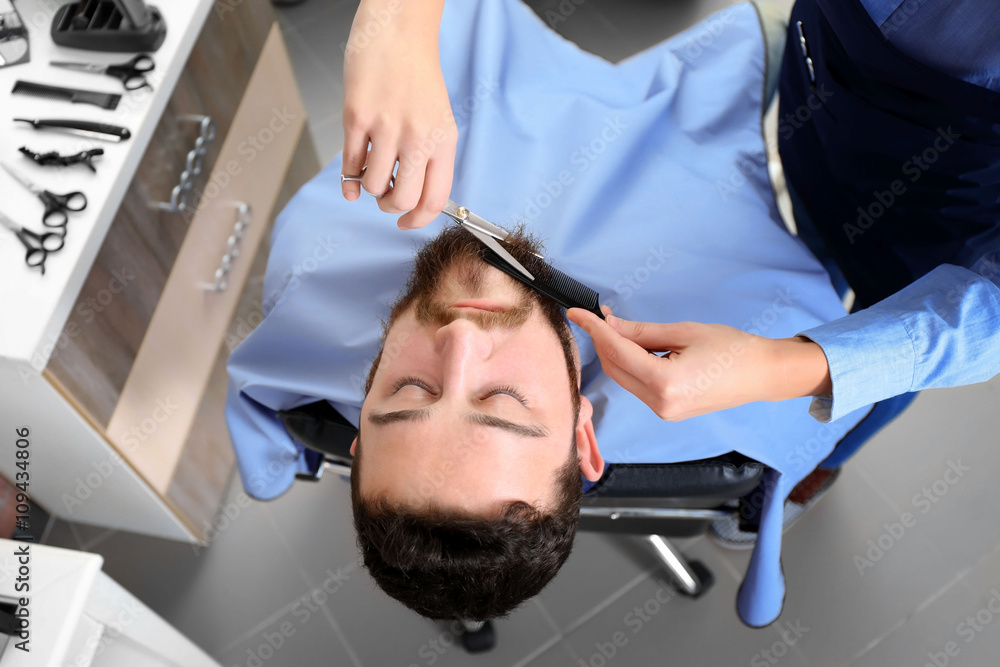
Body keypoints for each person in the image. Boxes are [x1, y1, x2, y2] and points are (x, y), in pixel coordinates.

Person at [226, 0, 874, 628]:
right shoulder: (760, 347)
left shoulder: (308, 272)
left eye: (410, 389)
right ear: (584, 436)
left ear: (358, 436)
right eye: (503, 398)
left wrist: (397, 21)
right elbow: (862, 339)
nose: (459, 337)